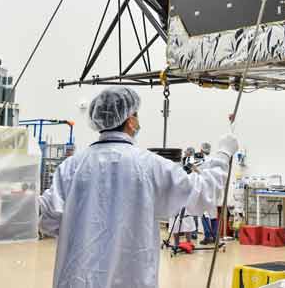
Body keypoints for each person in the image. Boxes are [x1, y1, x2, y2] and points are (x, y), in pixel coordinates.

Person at [38, 87, 238, 288]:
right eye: (136, 115)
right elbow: (202, 193)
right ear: (130, 120)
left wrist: (85, 231)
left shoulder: (71, 167)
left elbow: (46, 219)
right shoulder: (148, 165)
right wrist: (223, 154)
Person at [199, 141, 219, 244]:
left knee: (204, 214)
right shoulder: (213, 161)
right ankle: (215, 236)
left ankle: (207, 236)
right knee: (213, 215)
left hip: (204, 189)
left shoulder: (199, 161)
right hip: (213, 190)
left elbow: (196, 174)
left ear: (201, 150)